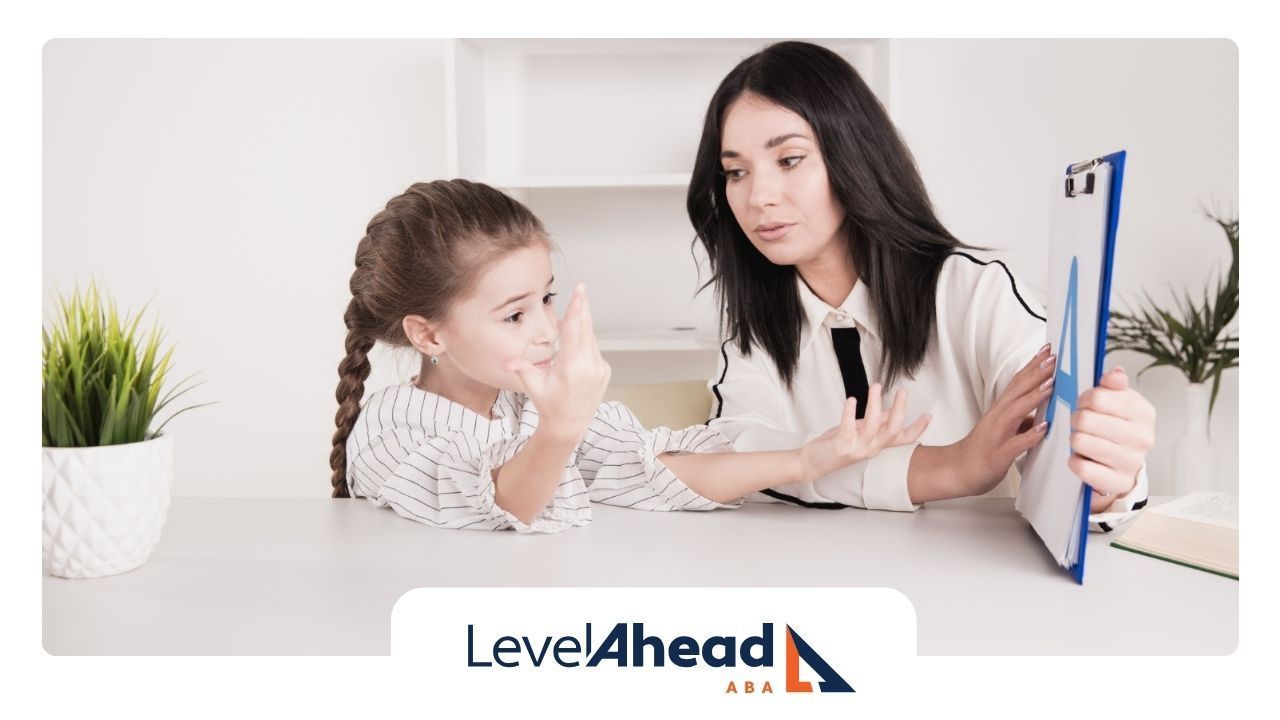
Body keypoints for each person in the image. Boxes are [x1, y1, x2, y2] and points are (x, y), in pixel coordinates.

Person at [687, 41, 1154, 531]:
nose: (758, 196)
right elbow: (735, 458)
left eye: (789, 160)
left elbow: (1051, 439)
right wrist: (953, 467)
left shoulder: (973, 294)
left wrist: (1105, 476)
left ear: (853, 155)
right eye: (736, 172)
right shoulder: (752, 335)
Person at [329, 179, 930, 533]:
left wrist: (804, 460)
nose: (546, 331)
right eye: (514, 315)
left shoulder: (530, 411)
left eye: (546, 299)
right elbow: (501, 504)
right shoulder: (391, 431)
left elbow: (652, 469)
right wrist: (561, 429)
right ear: (428, 336)